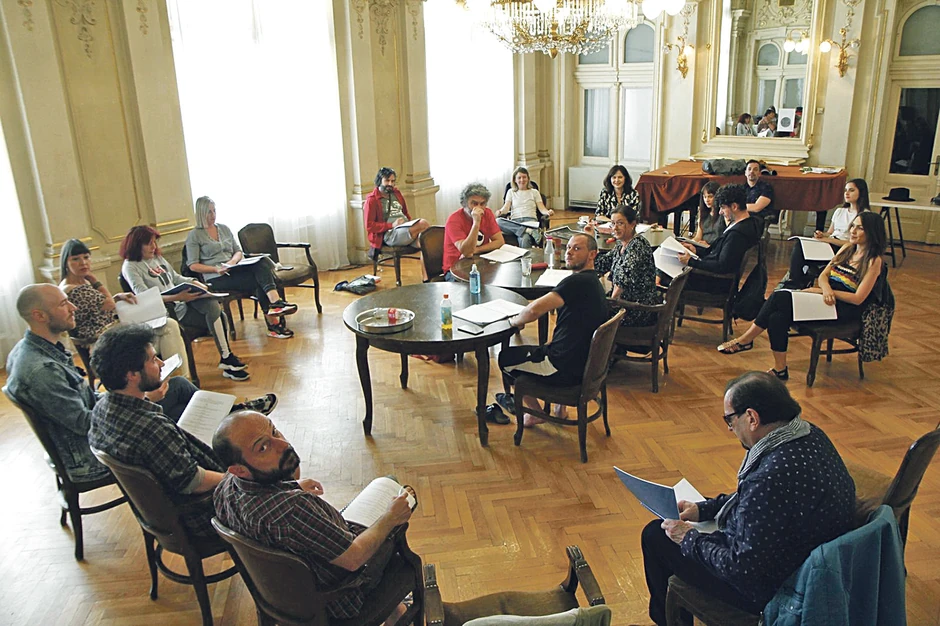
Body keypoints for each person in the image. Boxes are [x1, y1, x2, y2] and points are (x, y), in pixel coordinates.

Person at [641, 372, 855, 626]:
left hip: (774, 587)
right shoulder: (809, 434)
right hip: (810, 559)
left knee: (655, 535)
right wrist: (704, 509)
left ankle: (668, 620)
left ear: (752, 418)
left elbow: (741, 570)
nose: (729, 428)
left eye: (729, 419)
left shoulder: (768, 478)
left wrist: (689, 538)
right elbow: (757, 500)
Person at [212, 410, 414, 625]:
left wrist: (292, 486)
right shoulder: (293, 511)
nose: (283, 444)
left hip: (285, 593)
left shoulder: (225, 490)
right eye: (263, 447)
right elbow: (354, 559)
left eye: (274, 431)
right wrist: (390, 517)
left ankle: (396, 611)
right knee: (394, 493)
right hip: (340, 597)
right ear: (240, 470)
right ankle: (398, 611)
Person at [5, 285, 201, 484]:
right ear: (39, 316)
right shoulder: (43, 371)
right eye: (64, 304)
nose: (73, 307)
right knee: (180, 415)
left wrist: (129, 397)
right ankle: (196, 473)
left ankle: (206, 456)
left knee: (178, 388)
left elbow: (87, 400)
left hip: (96, 433)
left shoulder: (31, 349)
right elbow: (83, 423)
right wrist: (143, 400)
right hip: (90, 454)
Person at [88, 325, 224, 539]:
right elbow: (193, 482)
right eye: (153, 359)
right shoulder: (151, 428)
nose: (161, 364)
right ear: (132, 375)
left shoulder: (100, 410)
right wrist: (232, 478)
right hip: (200, 516)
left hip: (159, 515)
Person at [718, 211, 887, 380]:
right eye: (853, 226)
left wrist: (823, 292)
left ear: (872, 232)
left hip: (843, 308)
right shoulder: (847, 249)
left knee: (779, 297)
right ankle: (780, 370)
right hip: (826, 298)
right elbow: (824, 275)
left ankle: (746, 339)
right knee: (776, 317)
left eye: (860, 228)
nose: (853, 231)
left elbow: (858, 299)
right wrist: (825, 289)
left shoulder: (874, 261)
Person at [495, 234, 608, 427]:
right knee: (541, 348)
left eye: (577, 248)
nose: (569, 252)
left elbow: (533, 310)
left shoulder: (576, 282)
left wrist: (513, 322)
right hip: (586, 364)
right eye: (569, 247)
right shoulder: (593, 282)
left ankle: (536, 414)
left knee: (505, 359)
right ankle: (559, 409)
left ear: (592, 254)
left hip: (563, 368)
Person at [121, 225, 250, 381]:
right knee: (218, 315)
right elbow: (144, 297)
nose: (153, 247)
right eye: (149, 244)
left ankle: (226, 358)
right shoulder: (130, 266)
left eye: (154, 242)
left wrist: (194, 282)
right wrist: (177, 297)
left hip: (181, 305)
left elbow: (176, 278)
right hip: (166, 313)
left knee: (213, 307)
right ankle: (227, 361)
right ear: (136, 245)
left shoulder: (157, 258)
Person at [58, 238, 191, 380]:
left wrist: (117, 297)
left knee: (169, 326)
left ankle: (172, 380)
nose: (83, 263)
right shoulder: (74, 289)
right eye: (75, 259)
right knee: (169, 329)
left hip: (113, 337)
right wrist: (94, 280)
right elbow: (109, 305)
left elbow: (97, 308)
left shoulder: (78, 283)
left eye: (86, 257)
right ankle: (179, 380)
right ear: (66, 262)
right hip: (106, 347)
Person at [185, 197, 297, 340]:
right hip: (216, 277)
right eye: (209, 212)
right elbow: (193, 265)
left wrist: (232, 262)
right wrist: (216, 269)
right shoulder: (194, 235)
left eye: (214, 211)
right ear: (201, 213)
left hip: (233, 270)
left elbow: (238, 251)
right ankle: (274, 319)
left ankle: (275, 307)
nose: (213, 215)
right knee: (259, 280)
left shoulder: (224, 229)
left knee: (261, 263)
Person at [676, 184, 763, 293]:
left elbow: (721, 266)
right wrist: (696, 250)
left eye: (722, 207)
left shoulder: (737, 235)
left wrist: (691, 261)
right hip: (715, 278)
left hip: (715, 283)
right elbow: (718, 253)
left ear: (734, 207)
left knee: (668, 274)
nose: (720, 212)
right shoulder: (744, 224)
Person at [786, 179, 870, 289]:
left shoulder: (864, 215)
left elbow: (854, 243)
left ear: (861, 192)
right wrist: (822, 235)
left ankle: (800, 280)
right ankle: (795, 280)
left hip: (843, 248)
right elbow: (830, 232)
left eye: (851, 190)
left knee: (805, 254)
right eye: (845, 190)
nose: (847, 193)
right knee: (799, 245)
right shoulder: (840, 211)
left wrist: (829, 240)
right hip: (829, 242)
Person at [590, 205, 658, 327]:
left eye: (620, 223)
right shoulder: (621, 244)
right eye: (613, 223)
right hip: (624, 304)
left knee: (586, 314)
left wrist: (608, 307)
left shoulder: (638, 246)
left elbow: (621, 283)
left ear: (633, 224)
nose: (615, 228)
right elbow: (601, 264)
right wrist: (590, 238)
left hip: (636, 310)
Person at [442, 182, 506, 278]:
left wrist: (477, 250)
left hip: (479, 264)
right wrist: (476, 223)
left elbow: (499, 241)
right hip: (455, 270)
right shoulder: (453, 220)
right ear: (464, 204)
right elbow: (467, 252)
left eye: (482, 204)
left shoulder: (487, 213)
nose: (478, 208)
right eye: (474, 203)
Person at [363, 166, 430, 254]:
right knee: (423, 224)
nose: (390, 184)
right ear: (379, 181)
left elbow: (405, 213)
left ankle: (428, 263)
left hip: (405, 227)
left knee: (427, 241)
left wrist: (409, 223)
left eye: (393, 181)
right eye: (387, 181)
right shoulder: (372, 200)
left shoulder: (396, 194)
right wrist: (391, 225)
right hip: (389, 234)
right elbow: (369, 225)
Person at [495, 166, 553, 248]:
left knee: (524, 238)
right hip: (516, 222)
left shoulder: (534, 192)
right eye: (519, 178)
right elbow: (506, 208)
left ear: (528, 178)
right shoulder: (511, 192)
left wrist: (548, 212)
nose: (522, 180)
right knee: (498, 221)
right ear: (515, 180)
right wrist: (500, 212)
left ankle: (527, 232)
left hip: (530, 221)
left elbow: (542, 208)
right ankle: (528, 231)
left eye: (524, 177)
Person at [691, 181, 725, 247]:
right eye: (705, 197)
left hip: (715, 248)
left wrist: (709, 246)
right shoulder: (703, 213)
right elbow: (698, 237)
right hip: (702, 246)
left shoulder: (723, 214)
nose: (707, 200)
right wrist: (689, 242)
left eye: (710, 196)